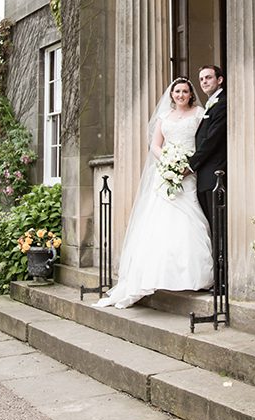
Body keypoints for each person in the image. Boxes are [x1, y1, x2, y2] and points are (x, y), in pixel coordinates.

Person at [95, 77, 214, 309]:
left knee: (191, 220)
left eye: (185, 91)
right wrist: (168, 161)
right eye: (177, 91)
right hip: (166, 173)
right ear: (172, 95)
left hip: (189, 173)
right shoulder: (164, 117)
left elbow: (203, 144)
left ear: (191, 94)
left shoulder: (200, 114)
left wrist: (186, 165)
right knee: (160, 223)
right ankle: (158, 275)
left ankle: (193, 277)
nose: (180, 95)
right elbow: (155, 145)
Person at [187, 65, 227, 228]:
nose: (204, 81)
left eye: (208, 77)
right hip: (204, 174)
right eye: (202, 79)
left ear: (219, 80)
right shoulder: (210, 104)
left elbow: (212, 140)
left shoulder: (223, 103)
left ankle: (221, 255)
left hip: (215, 173)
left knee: (217, 221)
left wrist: (190, 165)